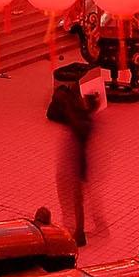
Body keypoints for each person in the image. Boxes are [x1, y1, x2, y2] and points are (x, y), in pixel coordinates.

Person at [46, 67, 98, 247]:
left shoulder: (82, 123)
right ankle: (78, 229)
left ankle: (78, 232)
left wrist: (68, 106)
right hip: (78, 165)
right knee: (77, 200)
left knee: (75, 199)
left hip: (75, 166)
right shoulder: (86, 120)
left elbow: (72, 122)